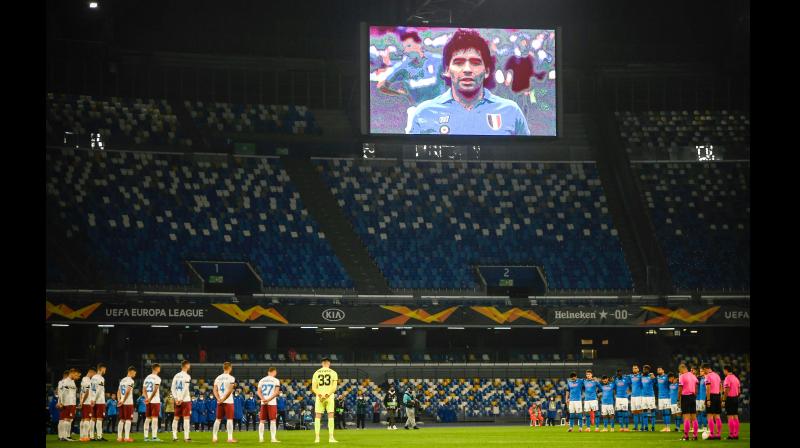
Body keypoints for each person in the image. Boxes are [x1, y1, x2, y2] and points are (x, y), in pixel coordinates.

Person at [409, 28, 530, 135]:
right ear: (447, 70)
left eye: (475, 62)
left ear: (487, 71)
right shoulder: (424, 113)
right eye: (459, 62)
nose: (467, 69)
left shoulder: (511, 111)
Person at [377, 29, 447, 133]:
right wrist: (399, 93)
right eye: (404, 47)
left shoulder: (438, 61)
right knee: (413, 144)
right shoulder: (403, 67)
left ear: (419, 45)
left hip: (441, 112)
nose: (406, 51)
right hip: (417, 113)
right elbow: (381, 86)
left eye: (409, 46)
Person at [311, 357, 339, 443]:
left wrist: (319, 395)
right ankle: (331, 438)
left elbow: (313, 388)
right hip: (329, 396)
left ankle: (317, 438)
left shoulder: (316, 373)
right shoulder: (333, 373)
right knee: (330, 415)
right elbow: (334, 387)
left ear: (322, 363)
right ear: (329, 363)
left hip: (319, 396)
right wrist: (327, 395)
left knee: (318, 416)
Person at [212, 361, 237, 443]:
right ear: (230, 368)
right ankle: (230, 438)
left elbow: (214, 390)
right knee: (229, 419)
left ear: (223, 368)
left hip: (219, 401)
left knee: (218, 419)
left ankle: (214, 437)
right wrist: (223, 399)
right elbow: (230, 391)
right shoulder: (231, 378)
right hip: (228, 401)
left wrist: (218, 399)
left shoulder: (218, 378)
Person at [257, 367, 281, 443]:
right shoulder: (276, 380)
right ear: (274, 372)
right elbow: (276, 392)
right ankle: (273, 439)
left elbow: (259, 392)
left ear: (268, 372)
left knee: (262, 421)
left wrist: (263, 399)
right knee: (273, 420)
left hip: (263, 402)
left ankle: (261, 438)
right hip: (272, 403)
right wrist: (269, 400)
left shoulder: (262, 380)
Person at [171, 359, 193, 442]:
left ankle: (174, 437)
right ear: (186, 366)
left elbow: (172, 388)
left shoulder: (176, 375)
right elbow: (185, 388)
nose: (189, 366)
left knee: (176, 418)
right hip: (185, 399)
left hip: (177, 400)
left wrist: (176, 398)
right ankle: (186, 437)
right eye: (189, 365)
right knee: (186, 418)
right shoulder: (187, 376)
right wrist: (181, 399)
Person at [678, 363, 699, 441]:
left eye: (680, 370)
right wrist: (695, 395)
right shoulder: (693, 375)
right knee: (694, 417)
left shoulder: (682, 376)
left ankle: (686, 436)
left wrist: (678, 399)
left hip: (685, 397)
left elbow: (680, 389)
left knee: (686, 417)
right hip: (693, 397)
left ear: (682, 369)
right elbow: (696, 385)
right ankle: (695, 435)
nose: (680, 372)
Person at [142, 363, 163, 442]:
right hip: (155, 401)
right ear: (156, 368)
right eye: (159, 368)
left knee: (147, 418)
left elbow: (143, 390)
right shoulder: (157, 378)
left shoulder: (147, 378)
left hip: (148, 401)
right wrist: (150, 398)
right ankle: (154, 437)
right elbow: (155, 389)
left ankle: (146, 437)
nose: (160, 369)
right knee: (155, 419)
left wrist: (147, 398)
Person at [702, 363, 723, 440]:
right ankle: (718, 434)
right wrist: (720, 396)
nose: (703, 372)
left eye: (703, 370)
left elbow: (708, 388)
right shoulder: (717, 375)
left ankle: (711, 434)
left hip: (711, 396)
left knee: (710, 416)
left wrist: (708, 399)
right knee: (717, 416)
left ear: (705, 368)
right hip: (717, 396)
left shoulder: (708, 376)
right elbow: (721, 386)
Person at [117, 366, 137, 442]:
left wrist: (119, 400)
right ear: (131, 372)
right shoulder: (131, 381)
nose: (135, 375)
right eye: (134, 373)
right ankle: (127, 437)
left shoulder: (122, 380)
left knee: (121, 419)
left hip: (121, 402)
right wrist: (123, 400)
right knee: (128, 419)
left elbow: (118, 391)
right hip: (128, 403)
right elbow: (128, 391)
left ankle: (119, 437)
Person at [57, 369, 78, 441]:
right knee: (66, 419)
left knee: (69, 419)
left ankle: (65, 436)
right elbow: (61, 393)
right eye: (75, 375)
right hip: (67, 403)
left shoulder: (72, 382)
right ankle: (64, 436)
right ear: (71, 373)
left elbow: (73, 394)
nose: (76, 376)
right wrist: (60, 402)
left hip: (72, 403)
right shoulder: (64, 382)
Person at [722, 366, 741, 440]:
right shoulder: (736, 378)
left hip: (729, 398)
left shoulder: (727, 378)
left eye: (724, 371)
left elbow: (726, 390)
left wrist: (723, 400)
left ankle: (731, 434)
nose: (724, 372)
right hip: (736, 398)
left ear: (726, 370)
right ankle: (736, 434)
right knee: (735, 416)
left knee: (730, 416)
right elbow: (739, 391)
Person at [89, 363, 108, 441]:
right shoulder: (100, 378)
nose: (105, 371)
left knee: (93, 418)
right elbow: (99, 390)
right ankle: (99, 436)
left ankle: (91, 436)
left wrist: (92, 399)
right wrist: (95, 399)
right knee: (99, 419)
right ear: (101, 368)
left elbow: (91, 390)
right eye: (105, 369)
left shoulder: (93, 377)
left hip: (93, 400)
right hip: (99, 401)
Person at [78, 366, 96, 441]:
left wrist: (81, 401)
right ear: (91, 372)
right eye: (94, 374)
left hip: (84, 402)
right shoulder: (88, 380)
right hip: (87, 402)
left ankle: (82, 436)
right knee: (87, 419)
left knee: (83, 419)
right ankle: (85, 436)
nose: (94, 376)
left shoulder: (83, 379)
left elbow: (81, 392)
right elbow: (87, 392)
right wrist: (83, 401)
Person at [640, 365, 657, 432]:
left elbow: (655, 383)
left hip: (650, 396)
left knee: (652, 411)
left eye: (647, 369)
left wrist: (654, 378)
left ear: (648, 370)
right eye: (644, 369)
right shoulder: (641, 377)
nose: (645, 370)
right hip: (644, 396)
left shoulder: (651, 376)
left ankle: (653, 427)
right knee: (644, 411)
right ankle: (646, 427)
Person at [656, 367, 672, 432]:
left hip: (666, 397)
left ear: (663, 370)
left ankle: (668, 427)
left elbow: (670, 383)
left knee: (667, 412)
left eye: (660, 369)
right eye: (657, 370)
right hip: (660, 397)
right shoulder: (657, 377)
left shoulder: (666, 377)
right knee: (663, 413)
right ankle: (665, 427)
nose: (658, 371)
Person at [692, 367, 708, 432]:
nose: (700, 372)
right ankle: (700, 426)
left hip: (703, 398)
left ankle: (705, 427)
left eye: (702, 371)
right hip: (699, 398)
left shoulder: (706, 379)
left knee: (703, 413)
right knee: (699, 412)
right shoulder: (701, 379)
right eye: (700, 371)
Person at [629, 364, 644, 431]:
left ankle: (642, 427)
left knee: (640, 411)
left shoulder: (641, 376)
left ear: (638, 369)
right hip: (633, 396)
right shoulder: (631, 376)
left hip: (639, 396)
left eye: (635, 368)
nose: (634, 369)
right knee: (634, 412)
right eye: (633, 368)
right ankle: (636, 427)